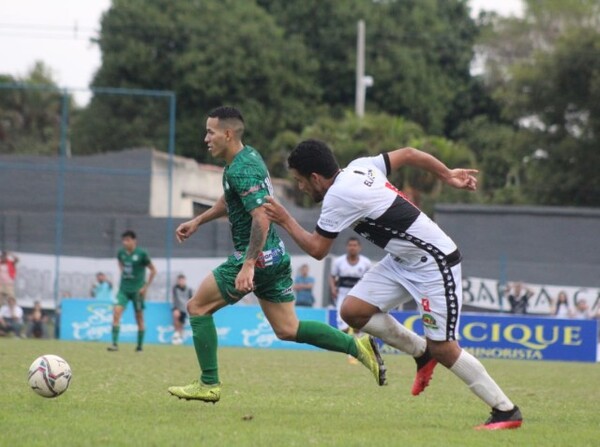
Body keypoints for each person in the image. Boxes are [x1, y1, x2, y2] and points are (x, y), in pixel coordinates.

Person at [264, 139, 522, 430]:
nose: (300, 187)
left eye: (300, 181)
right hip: (403, 259)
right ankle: (420, 352)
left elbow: (317, 250)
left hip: (434, 261)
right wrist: (447, 173)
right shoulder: (359, 167)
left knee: (445, 348)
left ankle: (506, 411)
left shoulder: (338, 196)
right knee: (353, 311)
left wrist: (285, 219)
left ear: (315, 178)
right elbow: (410, 154)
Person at [167, 106, 385, 404]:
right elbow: (233, 198)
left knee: (197, 307)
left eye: (210, 132)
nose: (206, 138)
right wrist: (198, 220)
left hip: (256, 258)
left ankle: (209, 383)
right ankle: (358, 348)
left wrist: (247, 265)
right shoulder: (246, 159)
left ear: (228, 134)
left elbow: (260, 217)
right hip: (274, 255)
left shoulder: (241, 168)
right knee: (288, 328)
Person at [107, 230, 156, 352]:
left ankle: (139, 346)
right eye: (123, 240)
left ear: (134, 241)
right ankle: (114, 344)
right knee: (116, 312)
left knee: (139, 317)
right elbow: (120, 263)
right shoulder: (121, 253)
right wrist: (123, 272)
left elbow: (153, 270)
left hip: (137, 291)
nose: (125, 242)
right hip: (123, 289)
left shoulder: (142, 254)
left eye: (127, 240)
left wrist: (145, 287)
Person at [330, 237, 372, 333]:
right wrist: (333, 289)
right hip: (342, 295)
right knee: (343, 327)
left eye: (355, 245)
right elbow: (332, 276)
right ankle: (343, 346)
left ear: (359, 247)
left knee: (358, 325)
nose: (352, 248)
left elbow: (370, 279)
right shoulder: (339, 262)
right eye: (350, 245)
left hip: (359, 296)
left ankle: (357, 346)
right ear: (347, 247)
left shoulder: (366, 263)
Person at [172, 274, 193, 344]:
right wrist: (176, 308)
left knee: (181, 323)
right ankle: (176, 333)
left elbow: (191, 299)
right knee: (176, 315)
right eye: (179, 280)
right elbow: (175, 299)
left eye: (182, 280)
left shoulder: (189, 289)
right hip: (177, 307)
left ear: (185, 281)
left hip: (185, 309)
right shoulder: (175, 288)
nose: (181, 282)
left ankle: (179, 337)